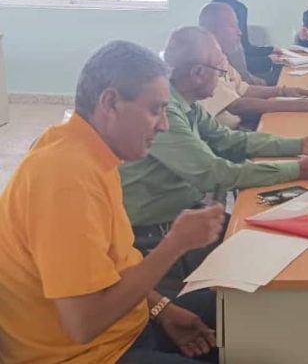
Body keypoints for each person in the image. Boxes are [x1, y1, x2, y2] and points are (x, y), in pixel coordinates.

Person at [0, 41, 225, 363]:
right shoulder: (66, 178)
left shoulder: (88, 151)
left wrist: (163, 310)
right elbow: (83, 324)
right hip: (88, 354)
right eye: (155, 110)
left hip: (127, 327)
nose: (163, 124)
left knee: (246, 307)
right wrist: (175, 244)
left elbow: (112, 268)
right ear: (110, 102)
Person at [120, 27, 308, 266]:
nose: (222, 77)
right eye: (219, 71)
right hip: (155, 233)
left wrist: (299, 144)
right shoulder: (165, 111)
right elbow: (214, 173)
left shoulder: (186, 102)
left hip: (185, 213)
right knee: (269, 254)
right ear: (198, 73)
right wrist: (298, 169)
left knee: (278, 235)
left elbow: (230, 140)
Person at [199, 3, 308, 129]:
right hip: (229, 133)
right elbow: (236, 105)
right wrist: (292, 105)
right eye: (233, 26)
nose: (239, 32)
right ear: (213, 29)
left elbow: (244, 89)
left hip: (238, 124)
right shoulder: (203, 62)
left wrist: (283, 91)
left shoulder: (221, 57)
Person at [211, 0, 279, 84]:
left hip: (248, 82)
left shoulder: (230, 45)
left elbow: (247, 48)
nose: (240, 32)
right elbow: (245, 78)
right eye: (233, 25)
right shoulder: (214, 56)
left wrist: (270, 50)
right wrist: (268, 60)